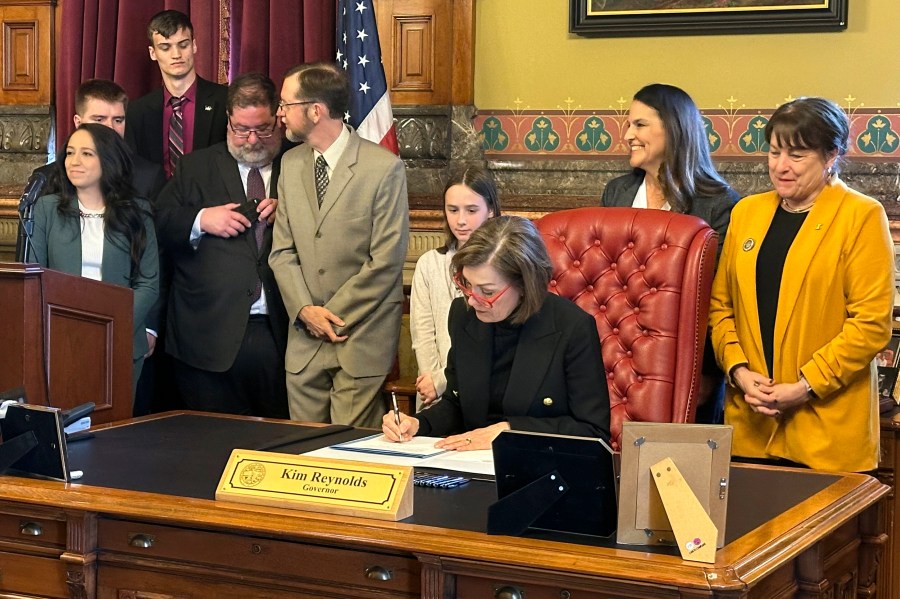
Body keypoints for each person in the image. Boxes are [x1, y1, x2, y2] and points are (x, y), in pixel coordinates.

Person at [709, 97, 894, 473]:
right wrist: (739, 372)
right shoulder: (746, 212)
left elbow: (871, 324)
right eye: (774, 152)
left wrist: (804, 386)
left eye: (797, 155)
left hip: (826, 432)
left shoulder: (861, 216)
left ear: (831, 155)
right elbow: (720, 306)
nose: (780, 166)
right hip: (750, 424)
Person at [382, 216, 611, 450]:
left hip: (538, 466)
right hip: (471, 466)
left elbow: (592, 430)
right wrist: (418, 423)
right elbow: (456, 403)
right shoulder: (464, 316)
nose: (472, 300)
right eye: (467, 284)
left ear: (525, 284)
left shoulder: (572, 327)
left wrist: (511, 430)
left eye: (487, 291)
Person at [270, 62, 409, 428]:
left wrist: (330, 316)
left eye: (286, 105)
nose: (279, 113)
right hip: (303, 341)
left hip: (360, 338)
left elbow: (386, 262)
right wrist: (305, 311)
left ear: (315, 110)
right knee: (303, 455)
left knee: (350, 458)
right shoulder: (289, 163)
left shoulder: (383, 168)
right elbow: (282, 253)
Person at [601, 83, 740, 424]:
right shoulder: (617, 192)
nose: (628, 134)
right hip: (616, 363)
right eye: (629, 124)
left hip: (686, 368)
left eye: (640, 124)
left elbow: (715, 298)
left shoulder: (719, 203)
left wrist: (705, 374)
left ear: (674, 128)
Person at [154, 73, 290, 418]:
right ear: (228, 120)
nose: (252, 139)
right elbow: (157, 222)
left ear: (278, 117)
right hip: (207, 337)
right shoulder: (196, 167)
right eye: (241, 129)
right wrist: (201, 219)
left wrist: (291, 216)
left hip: (281, 333)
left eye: (262, 128)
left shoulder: (299, 163)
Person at [28, 124, 159, 392]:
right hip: (61, 341)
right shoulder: (47, 208)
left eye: (87, 154)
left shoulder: (138, 212)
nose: (74, 161)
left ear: (108, 161)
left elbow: (148, 283)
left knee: (115, 430)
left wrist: (110, 326)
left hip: (120, 341)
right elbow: (35, 277)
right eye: (70, 153)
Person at [411, 166, 501, 407]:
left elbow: (488, 343)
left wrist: (442, 380)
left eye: (471, 210)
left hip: (484, 391)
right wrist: (431, 381)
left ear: (490, 210)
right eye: (453, 210)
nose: (460, 220)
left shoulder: (503, 267)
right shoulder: (429, 264)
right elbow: (423, 334)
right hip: (433, 394)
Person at [125, 9, 228, 179]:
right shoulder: (137, 112)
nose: (176, 55)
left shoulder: (224, 100)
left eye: (183, 45)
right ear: (153, 53)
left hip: (213, 204)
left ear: (194, 45)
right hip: (156, 203)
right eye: (165, 47)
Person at [26, 79, 165, 204]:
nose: (110, 128)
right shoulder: (46, 178)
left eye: (118, 120)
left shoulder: (149, 177)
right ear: (78, 123)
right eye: (99, 120)